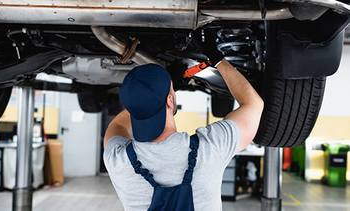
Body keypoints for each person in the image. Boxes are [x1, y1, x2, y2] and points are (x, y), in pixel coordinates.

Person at [103, 29, 264, 211]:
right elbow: (254, 105)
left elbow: (116, 125)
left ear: (131, 108)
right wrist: (217, 58)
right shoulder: (208, 149)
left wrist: (161, 94)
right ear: (170, 101)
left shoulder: (119, 160)